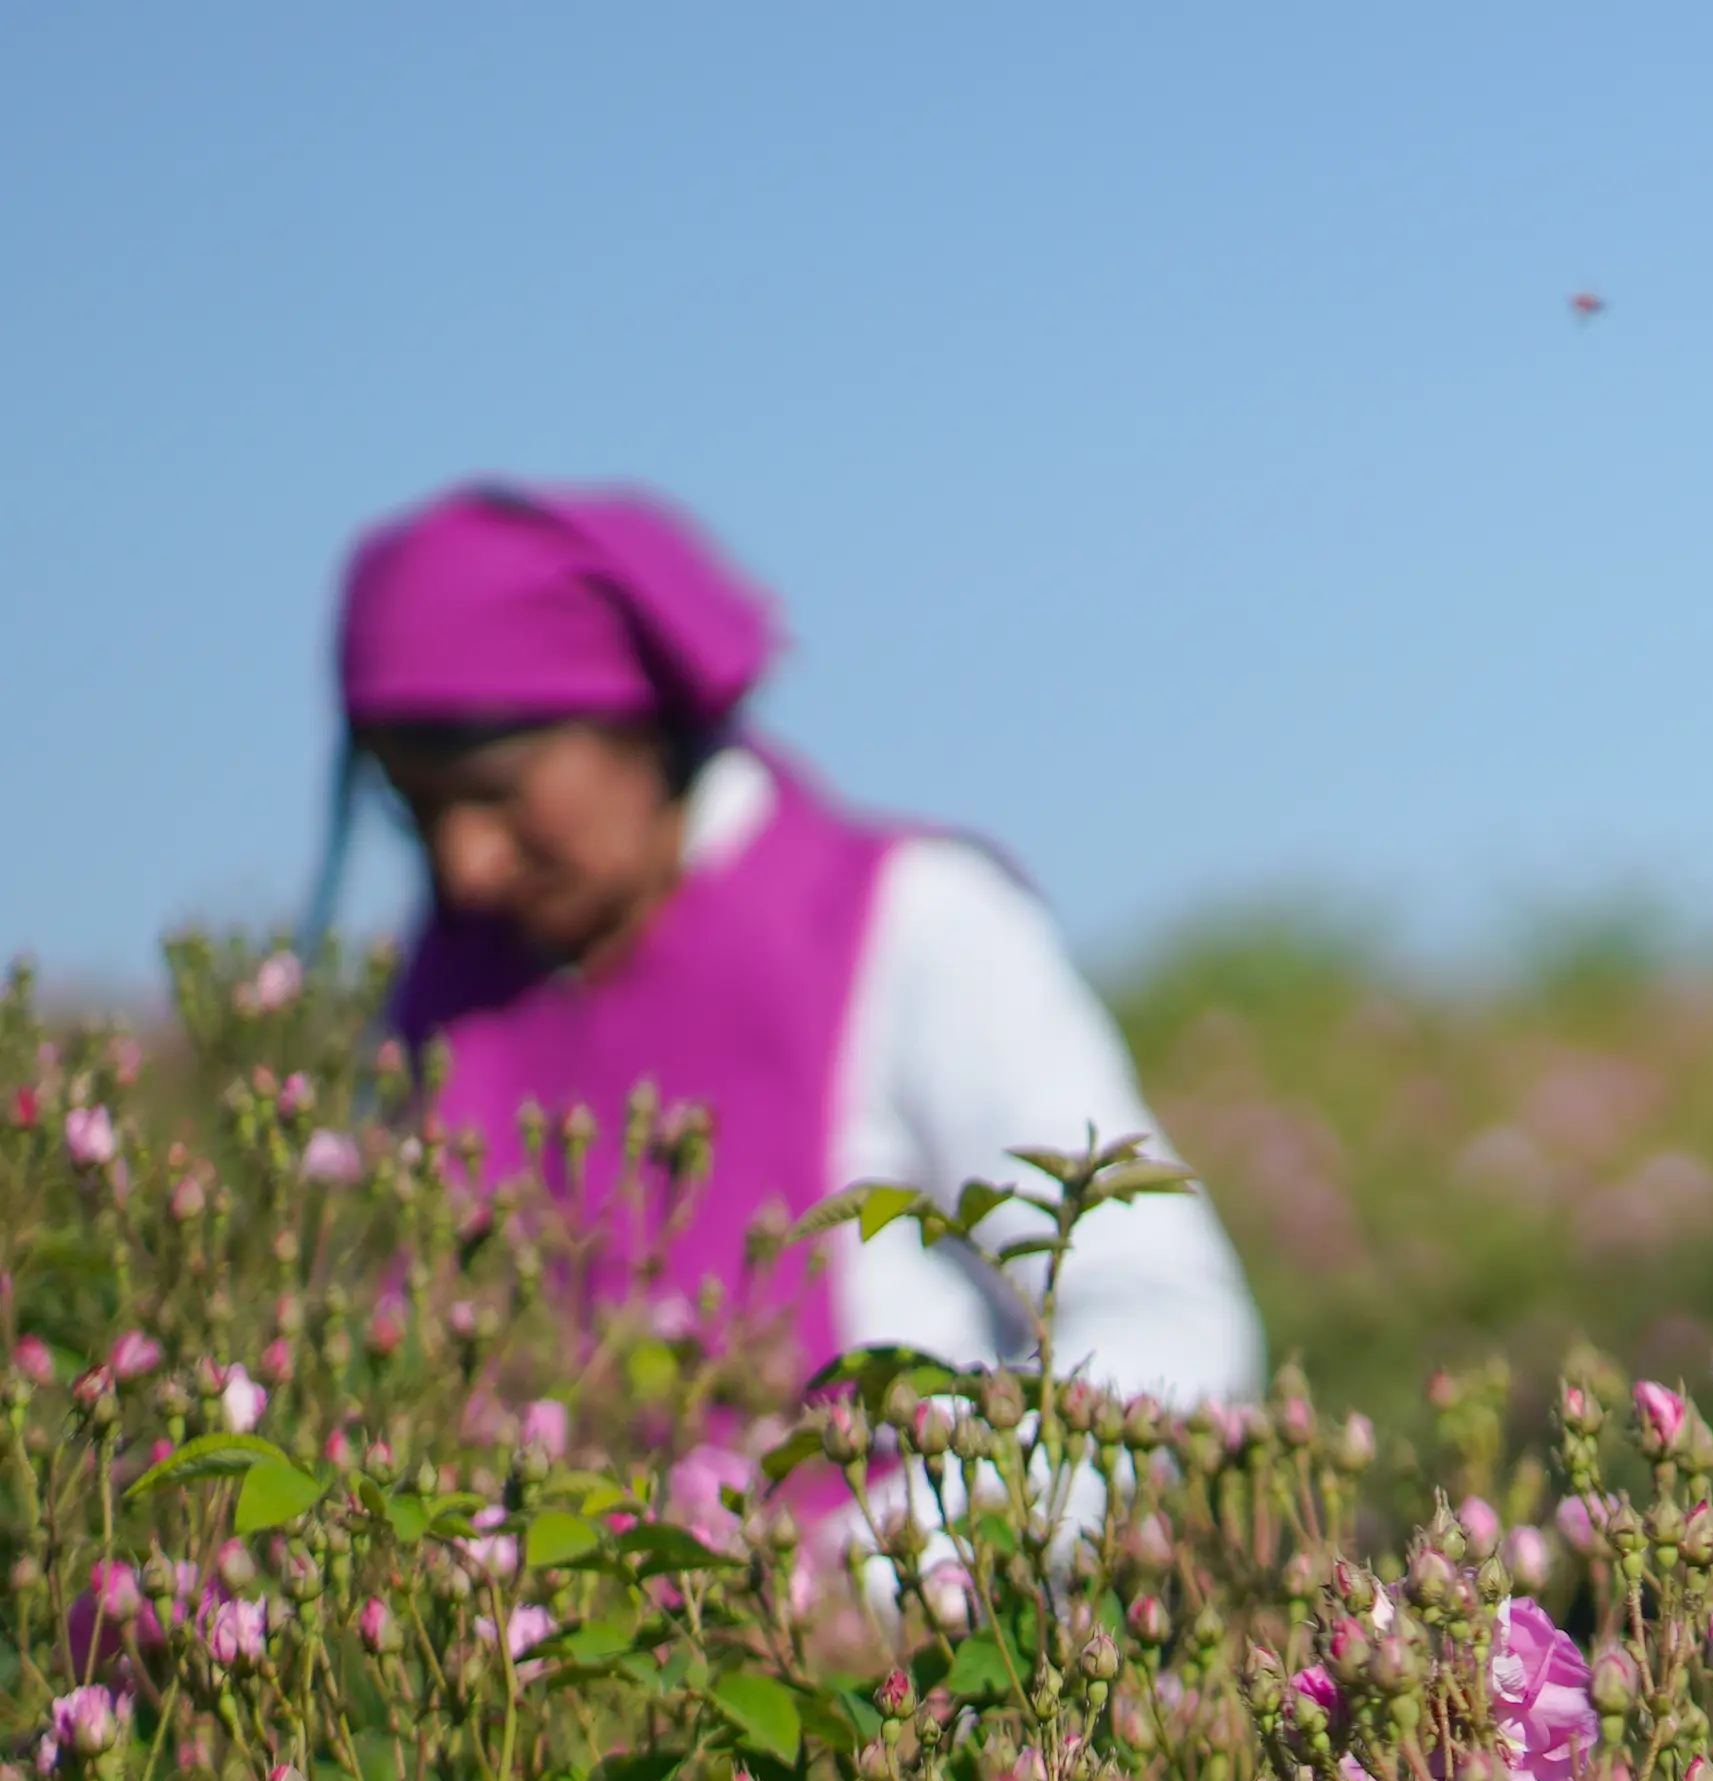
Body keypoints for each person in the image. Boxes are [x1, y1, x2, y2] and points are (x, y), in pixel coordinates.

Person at [338, 483, 1264, 1406]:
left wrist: (913, 1536)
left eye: (499, 793)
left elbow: (1170, 1323)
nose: (466, 866)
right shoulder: (436, 993)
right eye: (414, 807)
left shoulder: (914, 921)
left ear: (642, 724)